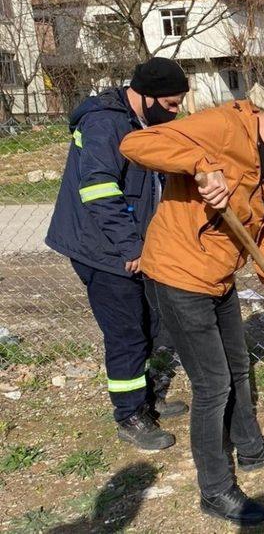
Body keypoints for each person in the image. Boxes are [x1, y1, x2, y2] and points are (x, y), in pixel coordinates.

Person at [119, 70, 264, 526]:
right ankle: (215, 490)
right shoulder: (222, 126)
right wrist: (200, 166)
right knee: (212, 384)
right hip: (179, 274)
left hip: (219, 277)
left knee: (238, 366)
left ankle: (252, 449)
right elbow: (135, 146)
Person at [46, 57, 191, 451]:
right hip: (102, 247)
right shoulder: (104, 122)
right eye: (172, 104)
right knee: (126, 331)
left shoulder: (141, 121)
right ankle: (129, 415)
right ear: (144, 95)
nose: (175, 112)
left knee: (146, 321)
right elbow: (98, 189)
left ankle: (145, 398)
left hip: (128, 243)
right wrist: (130, 246)